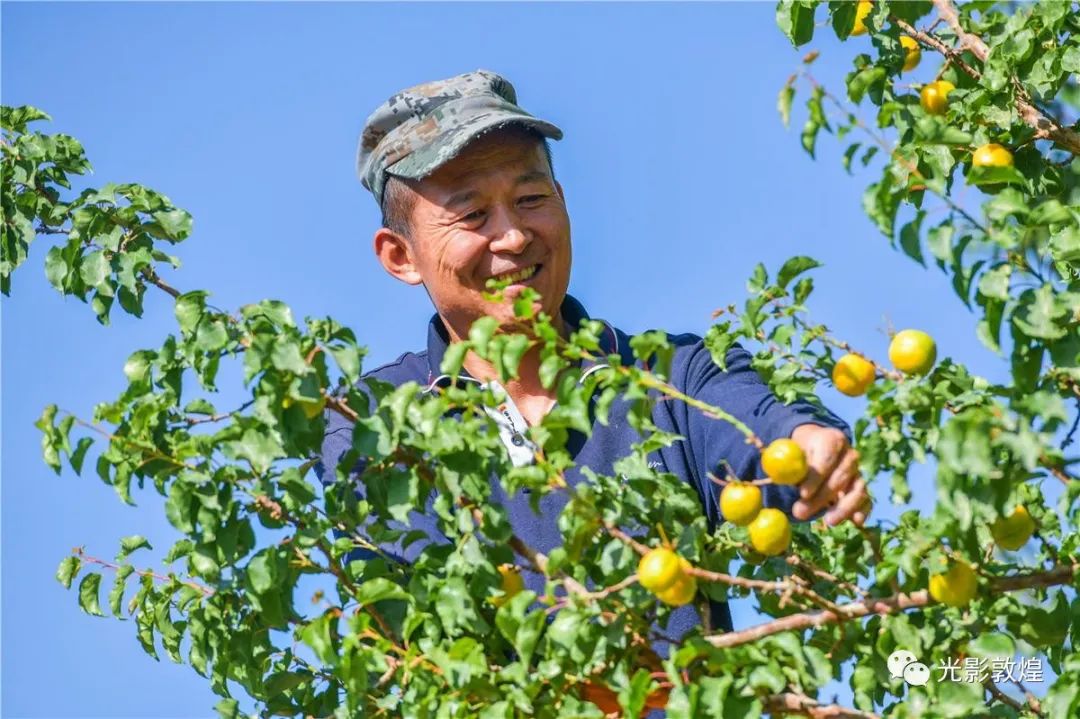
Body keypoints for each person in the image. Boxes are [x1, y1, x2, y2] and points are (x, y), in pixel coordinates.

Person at [315, 68, 869, 644]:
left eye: (531, 199)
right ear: (400, 256)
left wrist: (807, 442)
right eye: (472, 214)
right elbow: (422, 621)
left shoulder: (671, 377)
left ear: (563, 202)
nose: (513, 237)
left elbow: (756, 425)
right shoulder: (372, 423)